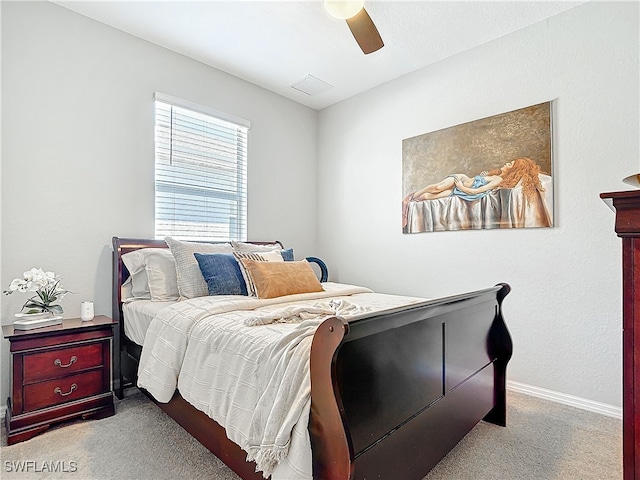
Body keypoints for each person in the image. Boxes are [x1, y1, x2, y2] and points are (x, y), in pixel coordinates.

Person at [402, 157, 545, 227]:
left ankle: (416, 198)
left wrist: (461, 188)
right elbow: (474, 181)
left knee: (427, 197)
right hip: (461, 179)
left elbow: (481, 190)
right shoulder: (493, 174)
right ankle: (412, 195)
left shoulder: (497, 181)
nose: (506, 163)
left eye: (510, 164)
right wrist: (460, 184)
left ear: (514, 170)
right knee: (437, 188)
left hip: (460, 190)